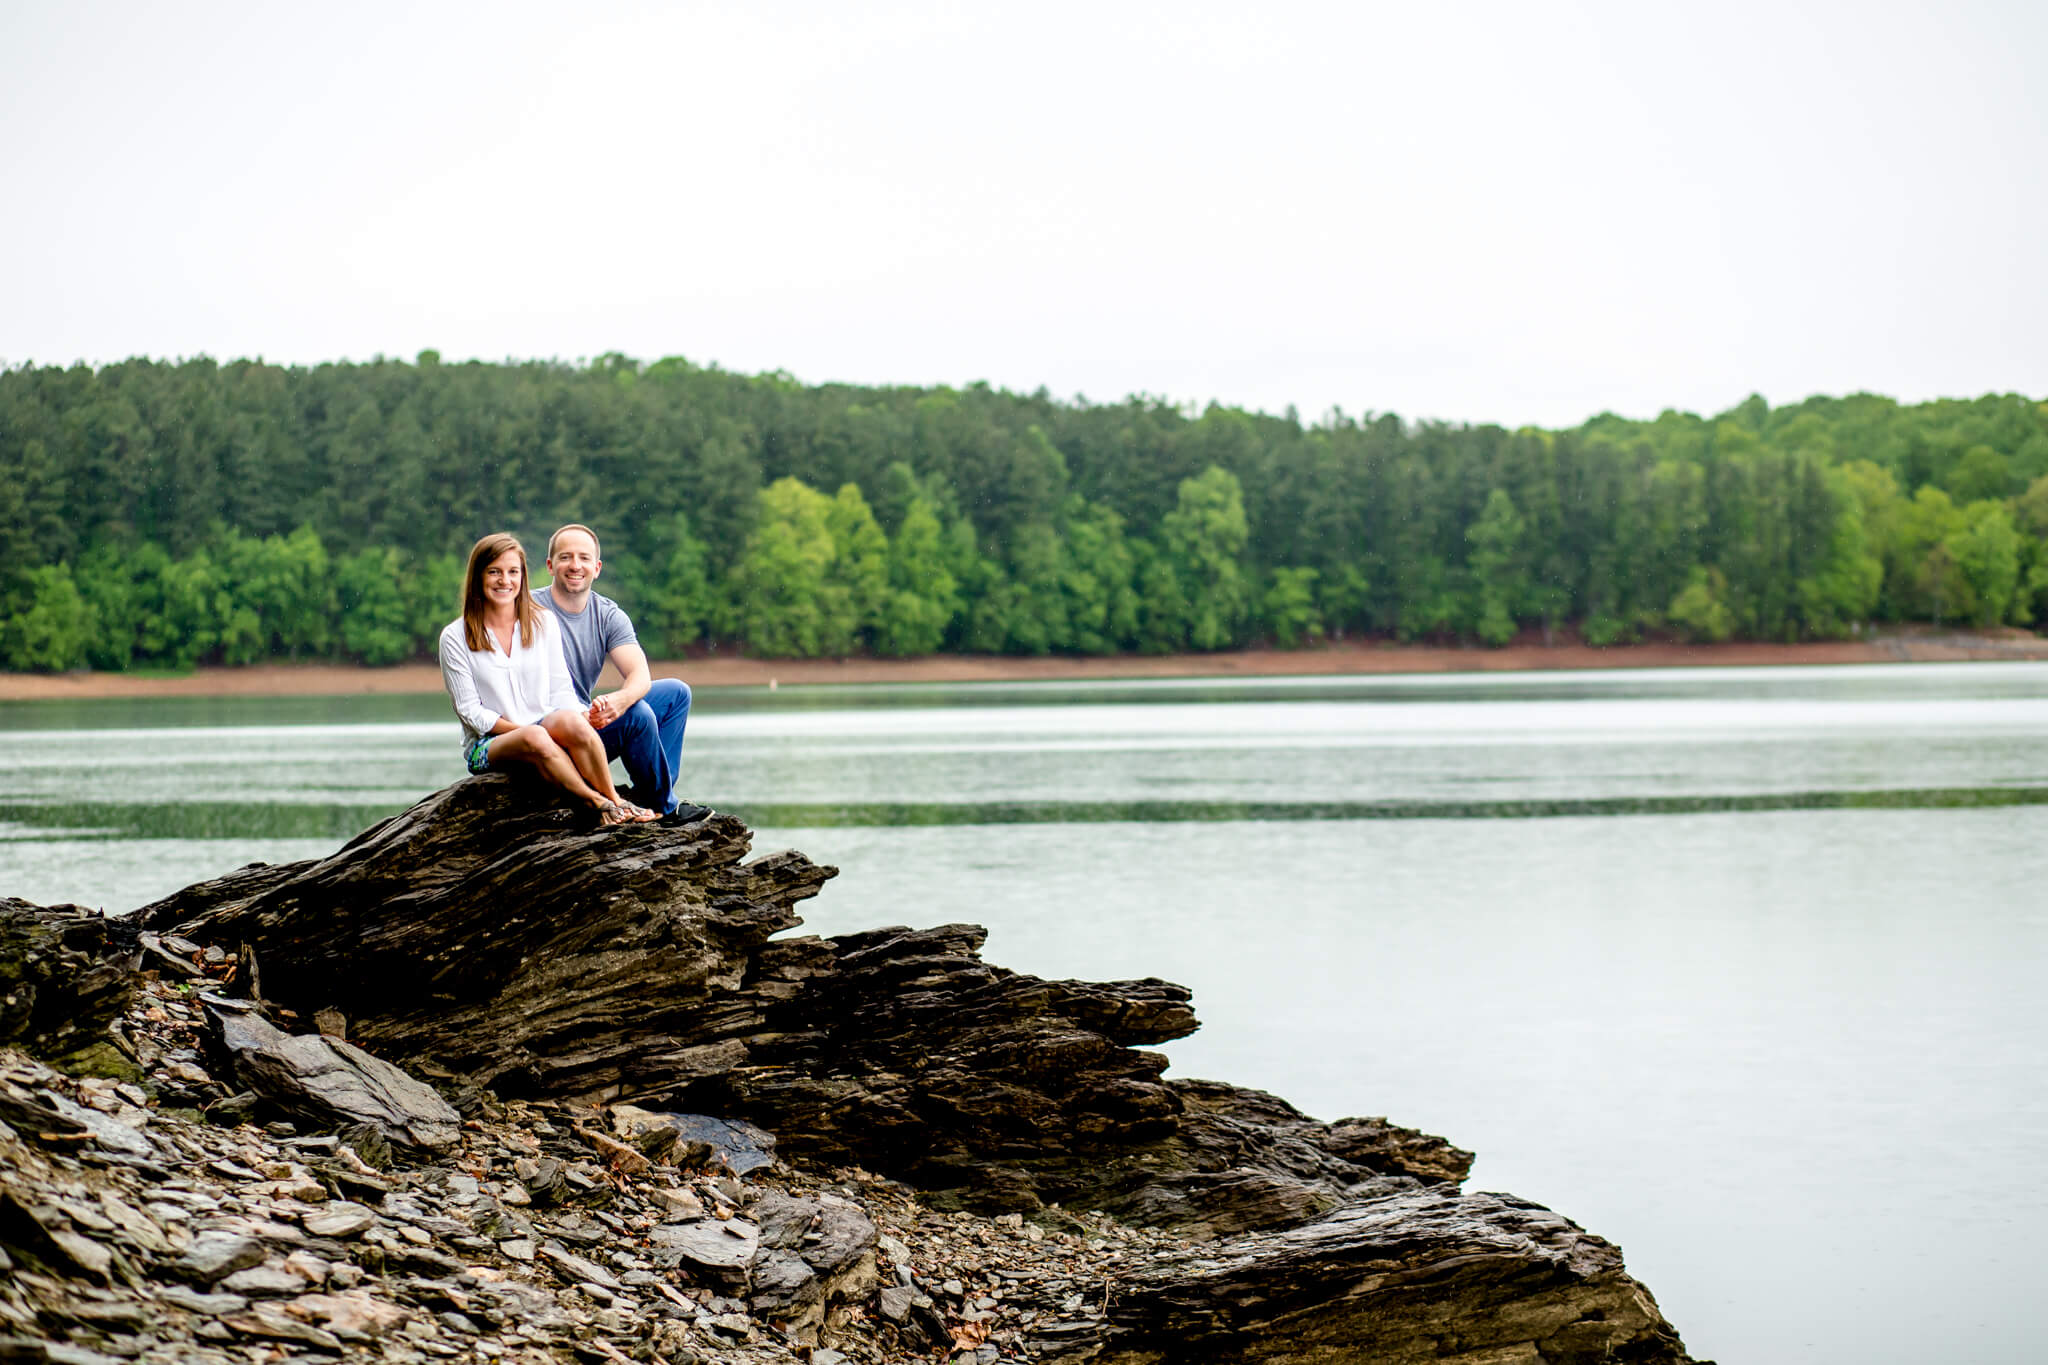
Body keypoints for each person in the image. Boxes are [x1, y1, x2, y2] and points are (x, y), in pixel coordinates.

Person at [438, 532, 656, 826]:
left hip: (541, 726)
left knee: (569, 720)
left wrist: (581, 718)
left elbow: (561, 690)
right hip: (487, 745)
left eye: (513, 572)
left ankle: (616, 801)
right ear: (478, 576)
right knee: (535, 734)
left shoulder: (542, 622)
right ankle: (597, 802)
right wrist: (525, 731)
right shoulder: (455, 636)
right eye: (495, 572)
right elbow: (470, 712)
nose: (505, 580)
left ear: (523, 577)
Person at [532, 523, 708, 823]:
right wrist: (626, 707)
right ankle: (665, 806)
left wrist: (619, 701)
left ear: (597, 568)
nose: (576, 565)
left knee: (676, 694)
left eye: (584, 558)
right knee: (637, 715)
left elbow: (640, 673)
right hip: (550, 731)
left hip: (586, 720)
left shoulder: (608, 614)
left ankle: (650, 793)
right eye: (566, 557)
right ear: (550, 565)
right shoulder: (529, 609)